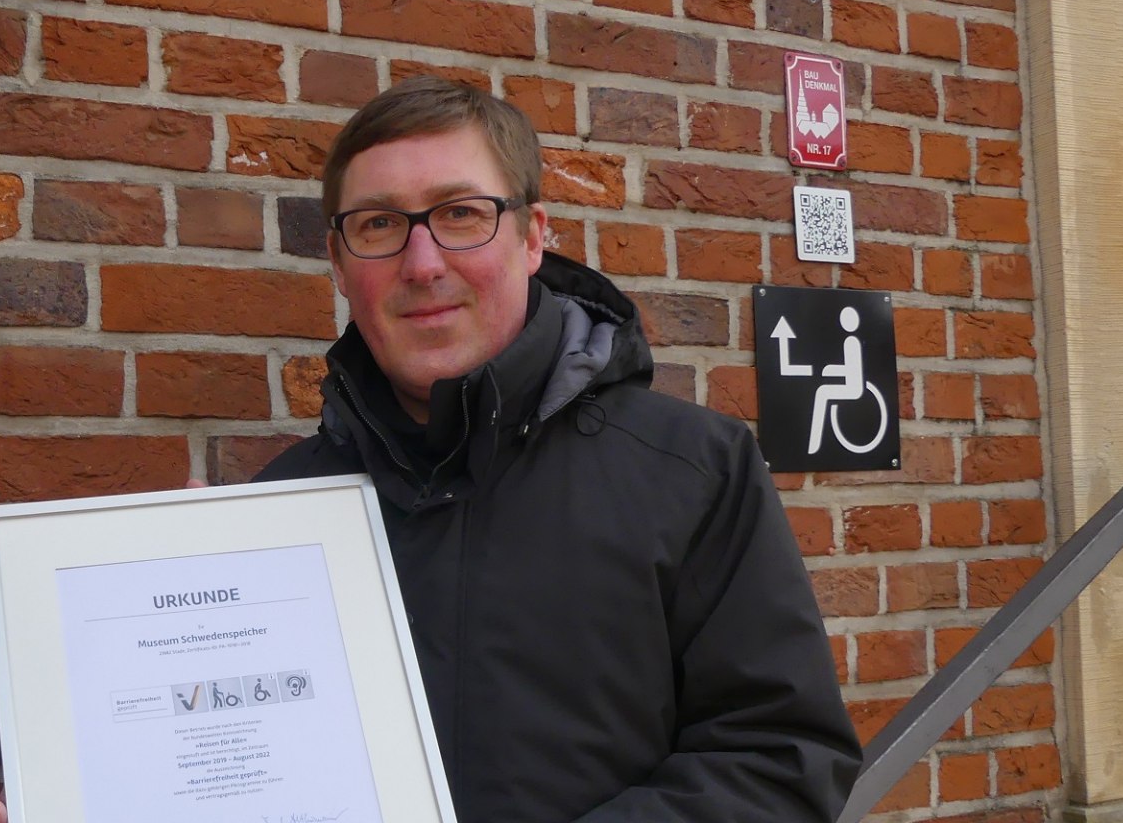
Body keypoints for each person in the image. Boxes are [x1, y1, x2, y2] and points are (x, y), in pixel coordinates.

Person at [252, 76, 863, 822]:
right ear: (341, 263)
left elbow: (781, 761)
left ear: (533, 235)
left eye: (461, 214)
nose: (422, 263)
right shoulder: (276, 515)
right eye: (379, 225)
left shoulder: (695, 472)